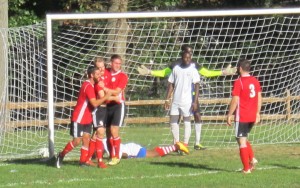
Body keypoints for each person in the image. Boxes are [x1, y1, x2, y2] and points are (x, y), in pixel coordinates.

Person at [137, 44, 236, 150]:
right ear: (183, 53)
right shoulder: (176, 65)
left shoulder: (193, 64)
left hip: (192, 95)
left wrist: (222, 72)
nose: (190, 55)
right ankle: (177, 143)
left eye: (191, 53)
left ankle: (196, 143)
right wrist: (149, 72)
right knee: (176, 118)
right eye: (188, 52)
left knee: (197, 115)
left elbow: (206, 73)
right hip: (178, 97)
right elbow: (165, 74)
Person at [56, 66, 111, 169]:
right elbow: (94, 103)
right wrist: (106, 97)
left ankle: (82, 161)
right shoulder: (88, 86)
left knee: (86, 139)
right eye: (98, 74)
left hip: (88, 117)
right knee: (77, 141)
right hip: (79, 117)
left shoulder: (93, 85)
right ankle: (61, 155)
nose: (100, 76)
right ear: (92, 75)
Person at [226, 59, 262, 174]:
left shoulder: (239, 82)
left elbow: (235, 99)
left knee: (241, 141)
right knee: (242, 138)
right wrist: (258, 113)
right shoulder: (255, 81)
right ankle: (252, 158)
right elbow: (260, 98)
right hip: (252, 116)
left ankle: (246, 169)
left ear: (240, 68)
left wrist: (229, 114)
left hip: (242, 116)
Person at [85, 57, 117, 168]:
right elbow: (102, 96)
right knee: (100, 132)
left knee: (96, 135)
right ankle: (100, 160)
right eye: (98, 68)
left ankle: (88, 159)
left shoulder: (107, 74)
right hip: (99, 109)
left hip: (105, 109)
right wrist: (115, 98)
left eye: (103, 67)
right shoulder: (98, 80)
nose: (101, 69)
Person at [164, 51, 200, 148]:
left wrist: (195, 101)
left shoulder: (193, 70)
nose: (188, 59)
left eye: (189, 57)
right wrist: (167, 99)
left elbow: (197, 86)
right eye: (186, 58)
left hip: (187, 101)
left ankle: (185, 144)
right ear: (182, 58)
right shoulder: (176, 69)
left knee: (187, 121)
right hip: (176, 100)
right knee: (173, 121)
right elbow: (171, 84)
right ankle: (176, 143)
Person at [101, 54, 128, 166]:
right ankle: (111, 155)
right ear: (111, 63)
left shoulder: (123, 76)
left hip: (118, 105)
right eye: (116, 63)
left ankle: (116, 156)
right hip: (107, 106)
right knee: (107, 133)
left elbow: (117, 92)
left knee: (114, 130)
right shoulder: (105, 72)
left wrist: (104, 88)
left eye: (119, 64)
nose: (118, 65)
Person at [102, 138, 189, 159]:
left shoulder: (107, 147)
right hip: (132, 147)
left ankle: (176, 146)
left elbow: (123, 154)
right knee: (153, 152)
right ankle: (175, 146)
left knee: (155, 154)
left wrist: (129, 157)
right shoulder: (104, 141)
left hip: (134, 151)